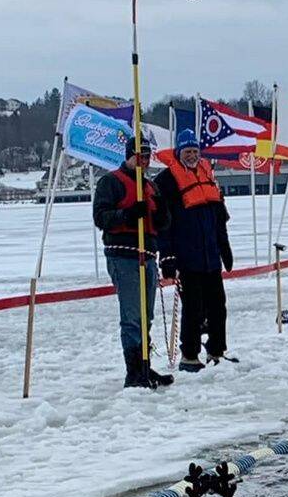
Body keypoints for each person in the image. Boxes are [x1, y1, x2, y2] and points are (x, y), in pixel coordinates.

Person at [92, 135, 173, 389]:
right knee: (132, 317)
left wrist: (159, 211)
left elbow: (164, 224)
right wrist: (128, 214)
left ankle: (145, 366)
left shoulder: (150, 187)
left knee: (146, 315)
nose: (144, 161)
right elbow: (101, 217)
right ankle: (134, 372)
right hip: (123, 255)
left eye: (147, 157)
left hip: (147, 255)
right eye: (139, 156)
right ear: (128, 156)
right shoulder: (111, 182)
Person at [155, 129, 235, 372]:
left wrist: (225, 248)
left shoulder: (207, 175)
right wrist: (167, 257)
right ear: (179, 152)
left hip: (210, 255)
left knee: (218, 306)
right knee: (193, 308)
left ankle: (217, 351)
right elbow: (163, 224)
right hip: (186, 256)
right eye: (187, 151)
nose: (192, 156)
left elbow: (219, 218)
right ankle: (189, 356)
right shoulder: (166, 181)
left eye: (195, 151)